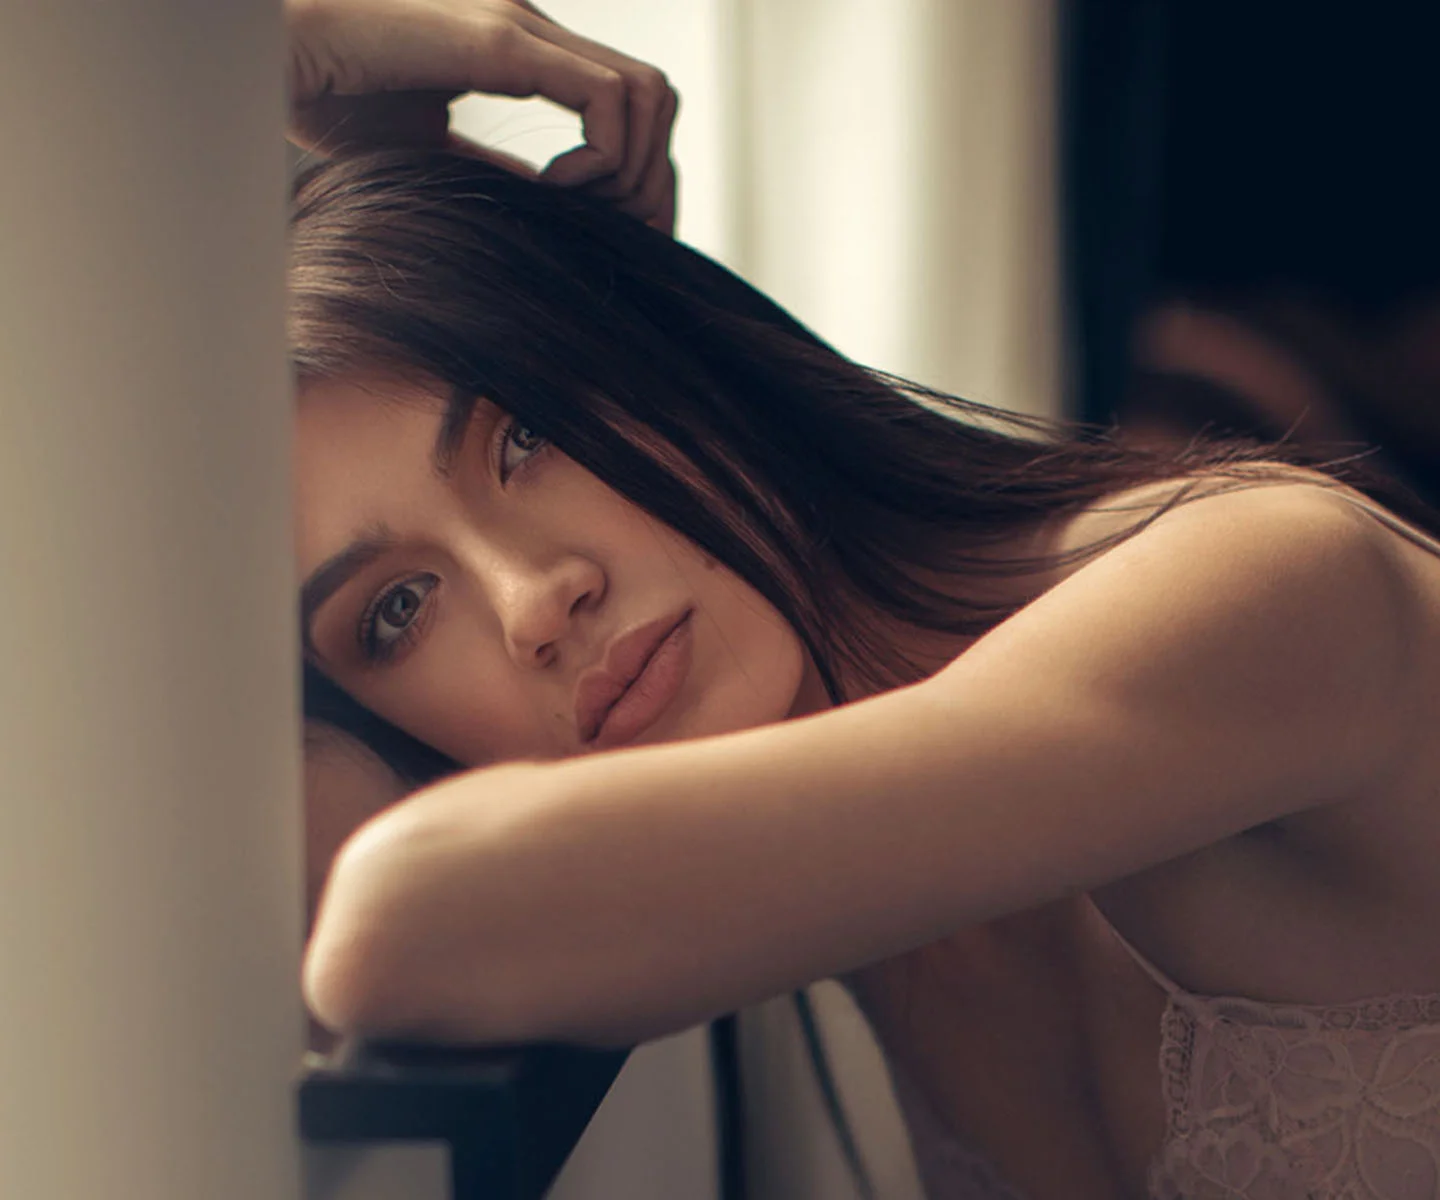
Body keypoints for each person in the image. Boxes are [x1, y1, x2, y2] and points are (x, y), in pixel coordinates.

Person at [288, 3, 1440, 1197]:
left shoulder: (1261, 584)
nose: (536, 600)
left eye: (524, 436)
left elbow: (392, 917)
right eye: (397, 612)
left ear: (659, 356)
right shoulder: (848, 847)